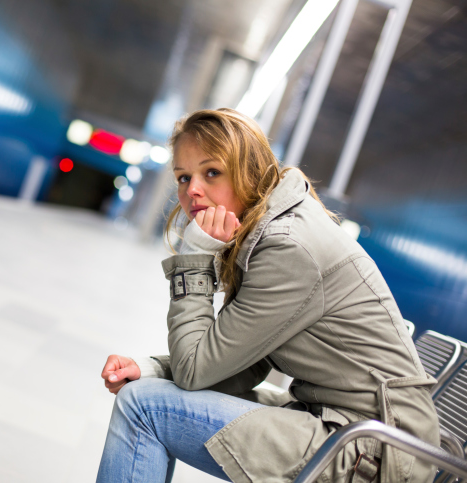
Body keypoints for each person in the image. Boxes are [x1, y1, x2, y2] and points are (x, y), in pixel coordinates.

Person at [96, 108, 440, 483]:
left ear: (249, 170)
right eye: (183, 177)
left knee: (142, 408)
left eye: (211, 172)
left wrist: (195, 258)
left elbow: (196, 372)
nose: (191, 190)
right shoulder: (268, 234)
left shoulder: (287, 247)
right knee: (146, 393)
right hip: (347, 428)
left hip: (373, 452)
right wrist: (152, 370)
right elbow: (240, 363)